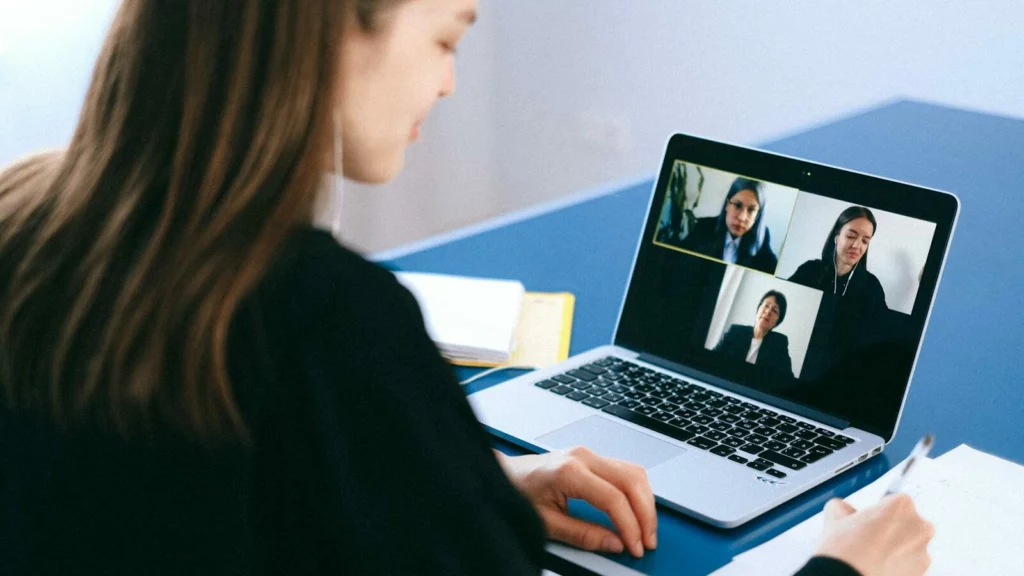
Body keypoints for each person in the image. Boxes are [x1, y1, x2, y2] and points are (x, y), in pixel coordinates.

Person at [0, 1, 933, 574]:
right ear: (332, 27)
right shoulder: (330, 324)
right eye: (446, 36)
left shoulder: (24, 217)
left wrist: (465, 481)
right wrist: (841, 573)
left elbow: (175, 496)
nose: (449, 85)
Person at [788, 206, 888, 380]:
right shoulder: (809, 270)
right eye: (851, 236)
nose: (857, 246)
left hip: (842, 377)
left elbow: (879, 340)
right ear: (836, 236)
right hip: (798, 366)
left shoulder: (872, 286)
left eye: (865, 240)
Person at [681, 177, 779, 273]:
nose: (742, 217)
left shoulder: (762, 238)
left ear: (758, 215)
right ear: (727, 204)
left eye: (751, 210)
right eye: (737, 205)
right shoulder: (704, 227)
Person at [715, 290, 794, 378]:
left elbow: (787, 378)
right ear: (758, 309)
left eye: (774, 311)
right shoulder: (735, 331)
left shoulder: (779, 343)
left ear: (777, 321)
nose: (768, 312)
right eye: (766, 306)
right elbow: (712, 358)